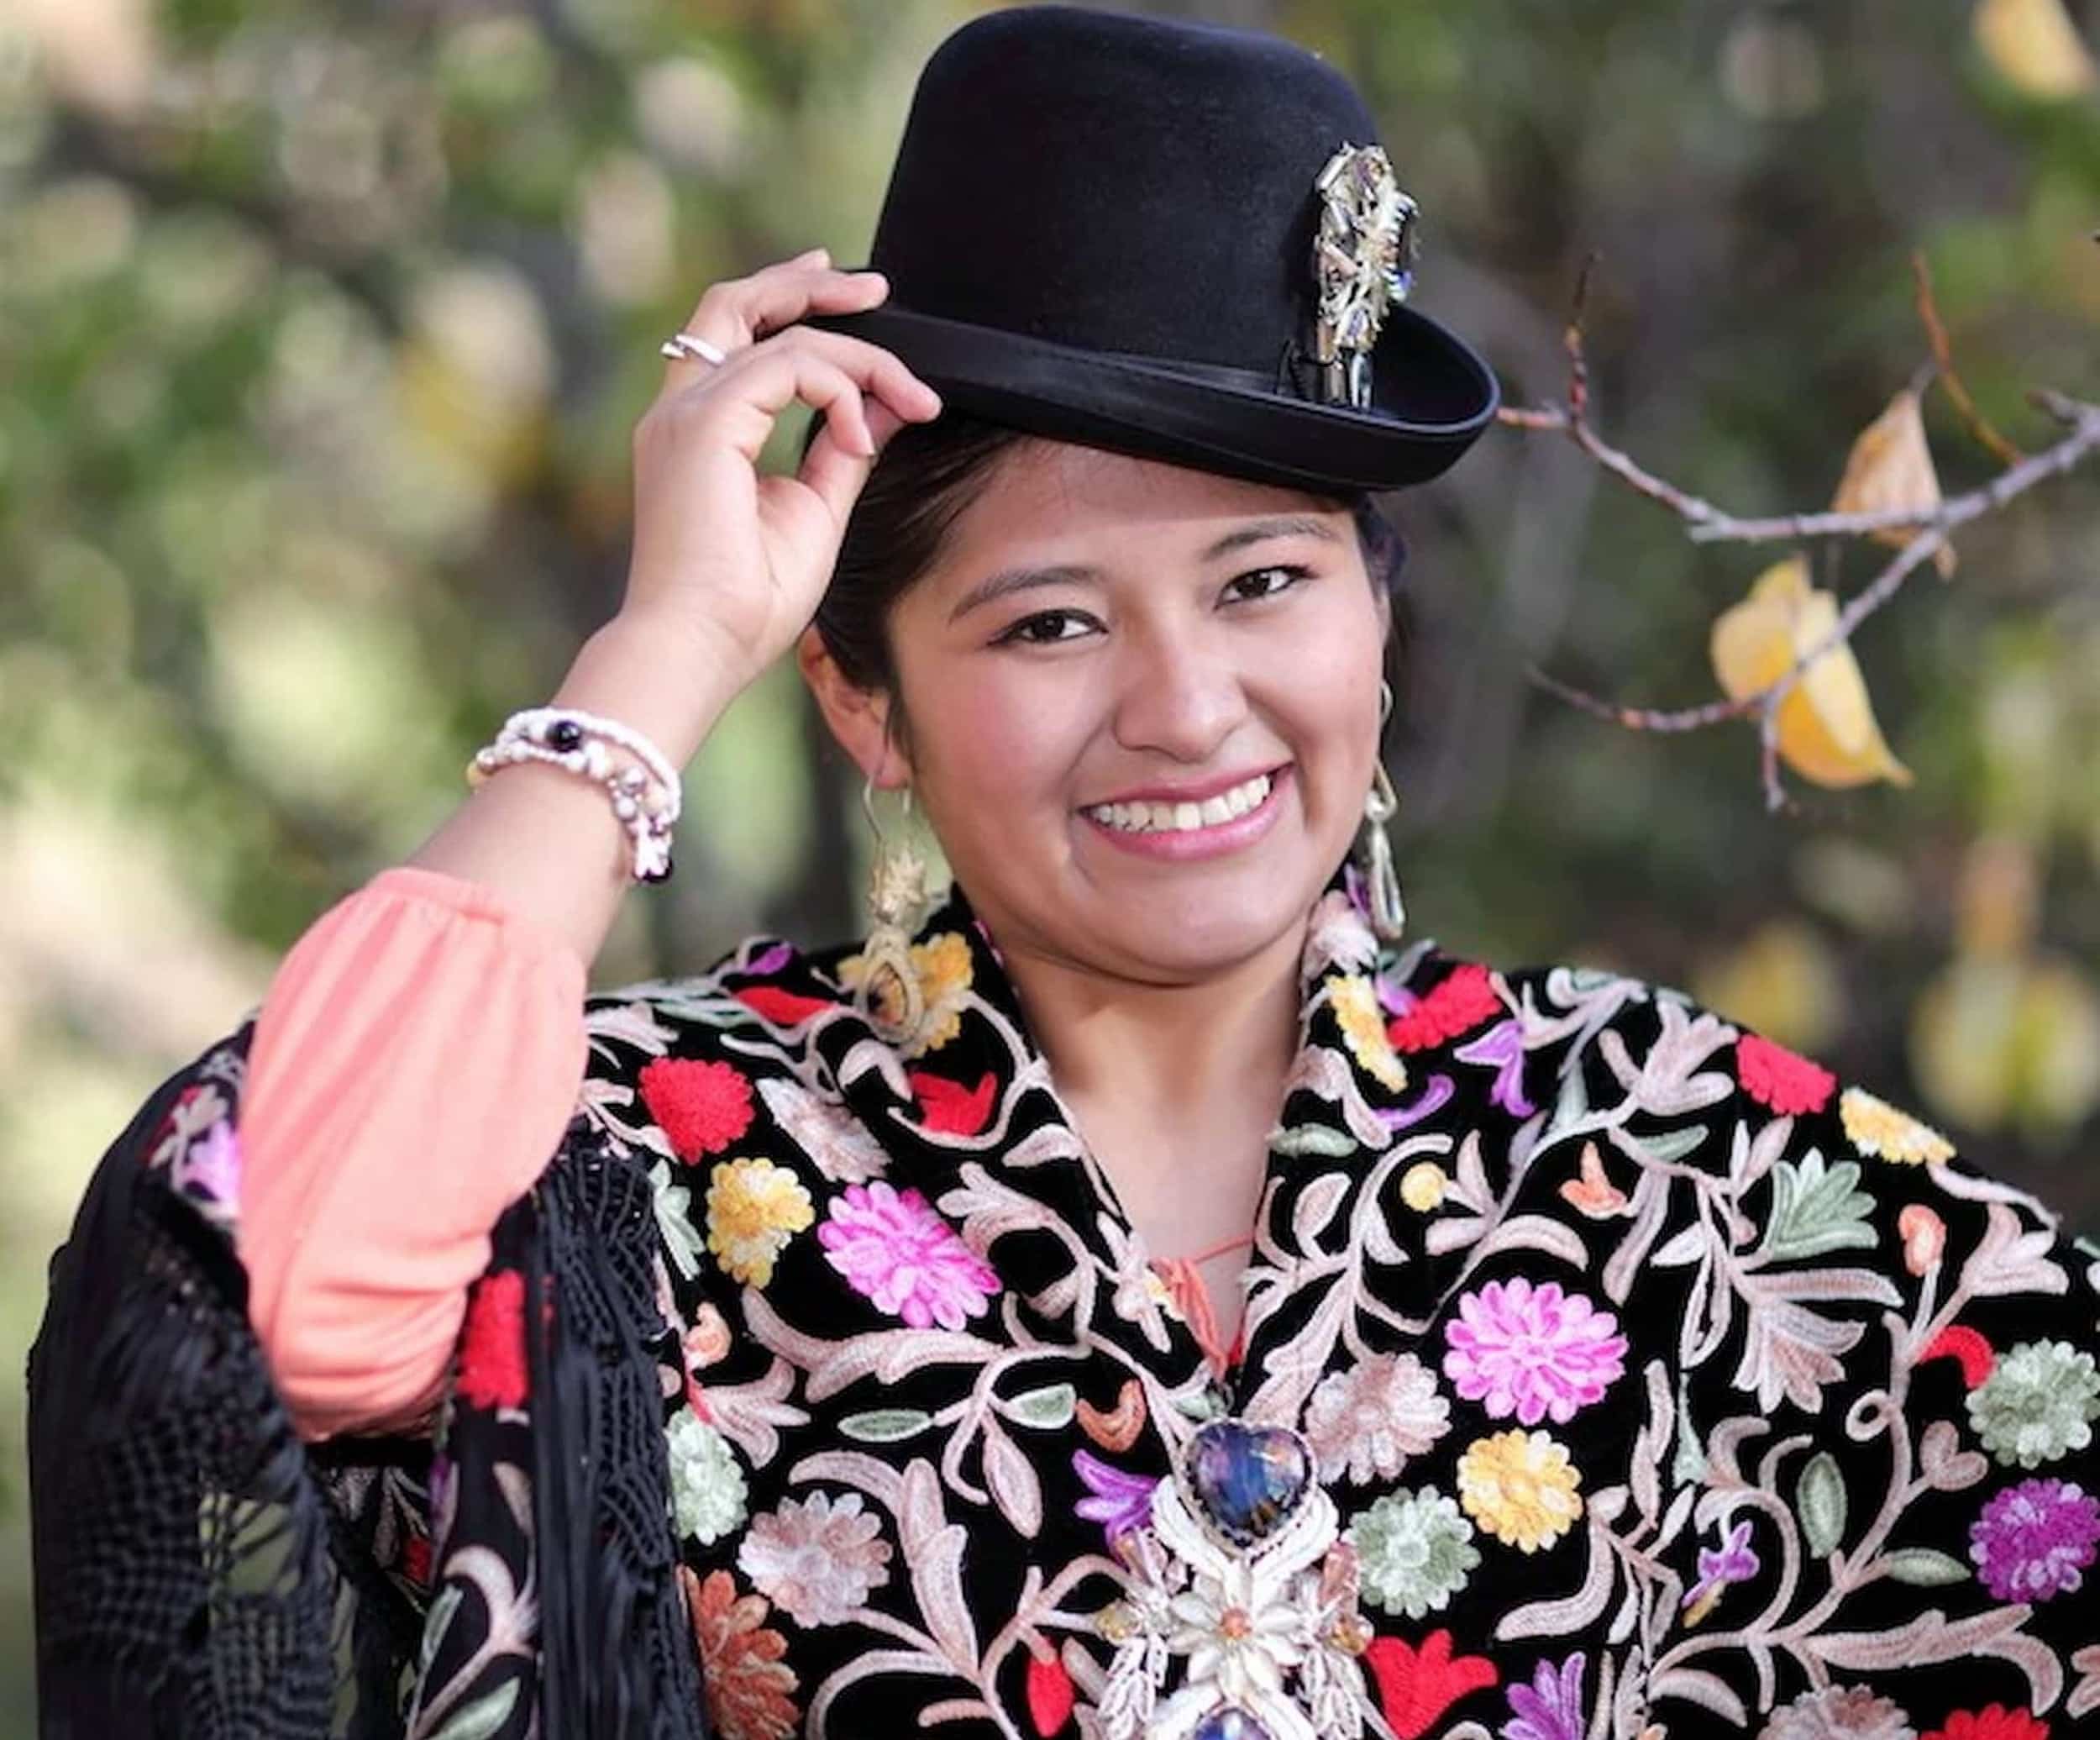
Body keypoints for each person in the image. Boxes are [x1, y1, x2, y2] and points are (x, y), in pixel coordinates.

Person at [29, 8, 2100, 1740]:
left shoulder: (1694, 1179)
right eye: (1045, 624)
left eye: (1264, 581)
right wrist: (658, 652)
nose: (1186, 709)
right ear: (857, 691)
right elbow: (267, 1270)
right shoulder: (656, 1162)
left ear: (1374, 624)